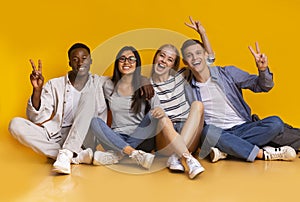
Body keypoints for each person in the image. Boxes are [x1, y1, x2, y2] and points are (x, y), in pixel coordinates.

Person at [180, 18, 297, 163]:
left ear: (205, 55)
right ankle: (263, 153)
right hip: (218, 133)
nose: (195, 58)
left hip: (245, 127)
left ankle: (227, 150)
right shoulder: (186, 86)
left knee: (276, 123)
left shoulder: (227, 73)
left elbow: (263, 86)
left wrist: (262, 70)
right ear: (185, 62)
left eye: (198, 53)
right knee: (207, 132)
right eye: (189, 56)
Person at [88, 46, 204, 179]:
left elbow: (158, 108)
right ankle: (133, 154)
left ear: (137, 63)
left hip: (141, 138)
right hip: (116, 137)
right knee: (95, 121)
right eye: (123, 59)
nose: (127, 62)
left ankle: (118, 155)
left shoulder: (145, 86)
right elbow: (89, 78)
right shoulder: (107, 84)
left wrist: (158, 108)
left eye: (131, 59)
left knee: (154, 114)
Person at [150, 43, 205, 173]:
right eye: (162, 56)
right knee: (163, 119)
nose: (164, 61)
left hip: (188, 131)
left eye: (170, 59)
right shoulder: (147, 85)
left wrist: (202, 34)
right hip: (165, 137)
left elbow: (205, 64)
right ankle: (188, 158)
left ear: (173, 65)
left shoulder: (181, 76)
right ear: (156, 57)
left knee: (198, 105)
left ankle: (177, 156)